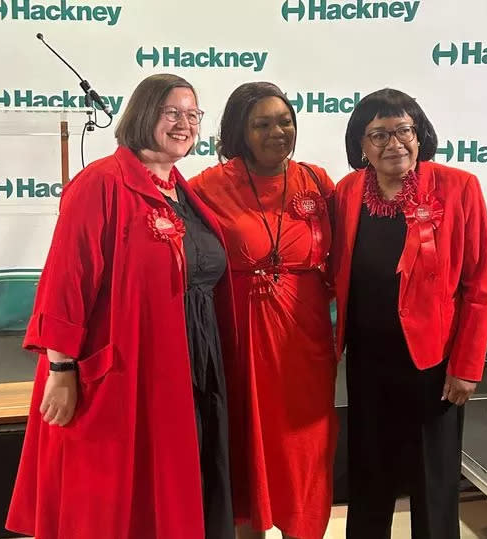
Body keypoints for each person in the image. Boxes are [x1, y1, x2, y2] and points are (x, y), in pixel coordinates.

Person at [5, 73, 236, 539]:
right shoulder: (101, 183)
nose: (184, 124)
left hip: (191, 361)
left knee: (179, 488)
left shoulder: (181, 190)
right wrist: (61, 369)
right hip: (126, 370)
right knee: (116, 504)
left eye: (192, 115)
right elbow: (66, 280)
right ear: (144, 114)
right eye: (172, 112)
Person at [330, 88, 487, 539]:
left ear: (420, 134)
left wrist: (466, 367)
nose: (394, 144)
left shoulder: (458, 187)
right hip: (367, 361)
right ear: (360, 145)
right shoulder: (346, 194)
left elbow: (479, 285)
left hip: (434, 362)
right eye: (378, 135)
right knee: (368, 473)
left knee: (433, 480)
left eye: (403, 130)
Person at [190, 81, 338, 539]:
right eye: (262, 124)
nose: (278, 131)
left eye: (285, 120)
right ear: (239, 131)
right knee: (246, 443)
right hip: (239, 337)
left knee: (304, 446)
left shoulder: (317, 181)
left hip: (306, 340)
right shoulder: (206, 187)